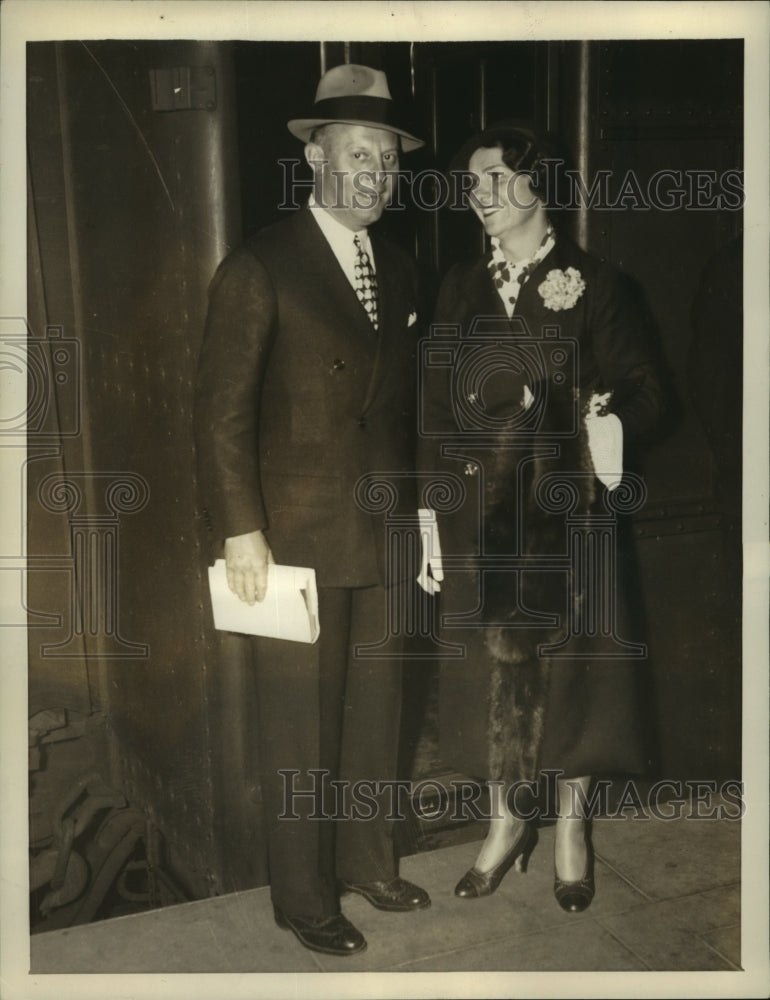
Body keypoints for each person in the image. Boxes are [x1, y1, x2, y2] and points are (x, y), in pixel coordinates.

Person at [194, 64, 430, 957]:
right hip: (289, 541)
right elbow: (219, 414)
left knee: (377, 712)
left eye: (389, 160)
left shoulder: (401, 269)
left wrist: (427, 519)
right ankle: (302, 898)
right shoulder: (262, 264)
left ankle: (370, 861)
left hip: (383, 529)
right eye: (359, 154)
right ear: (316, 156)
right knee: (302, 728)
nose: (376, 174)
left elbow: (404, 418)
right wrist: (240, 527)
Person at [418, 123, 664, 912]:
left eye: (494, 180)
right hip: (483, 519)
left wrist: (601, 419)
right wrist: (430, 506)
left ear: (538, 184)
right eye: (471, 184)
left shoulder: (596, 284)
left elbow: (650, 393)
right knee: (491, 683)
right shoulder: (458, 284)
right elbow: (428, 403)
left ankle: (569, 829)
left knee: (576, 680)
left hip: (570, 518)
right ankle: (503, 825)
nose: (479, 197)